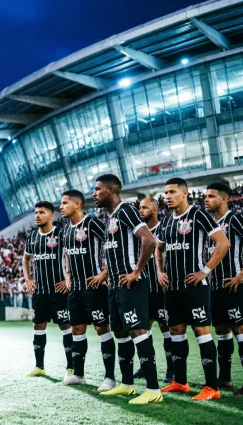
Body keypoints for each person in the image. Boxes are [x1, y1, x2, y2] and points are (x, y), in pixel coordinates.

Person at [156, 177, 230, 401]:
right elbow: (158, 248)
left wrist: (204, 271)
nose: (167, 196)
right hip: (173, 288)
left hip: (195, 287)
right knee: (176, 331)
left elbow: (223, 243)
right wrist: (160, 272)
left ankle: (211, 387)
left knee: (201, 331)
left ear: (185, 193)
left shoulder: (198, 215)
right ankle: (180, 382)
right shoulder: (166, 221)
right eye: (165, 193)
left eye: (172, 192)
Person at [93, 174, 162, 405]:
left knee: (138, 331)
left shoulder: (126, 211)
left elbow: (148, 240)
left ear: (111, 190)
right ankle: (127, 384)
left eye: (98, 189)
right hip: (115, 286)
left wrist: (136, 271)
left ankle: (153, 389)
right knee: (121, 334)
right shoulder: (110, 217)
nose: (94, 193)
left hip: (131, 284)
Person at [57, 190, 115, 391]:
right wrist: (67, 275)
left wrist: (104, 274)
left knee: (101, 329)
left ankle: (109, 378)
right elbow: (66, 254)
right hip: (75, 290)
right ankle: (78, 375)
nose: (61, 207)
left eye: (65, 203)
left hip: (94, 287)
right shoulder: (65, 231)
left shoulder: (92, 224)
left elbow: (113, 245)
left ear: (77, 204)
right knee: (76, 329)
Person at [203, 182, 243, 396]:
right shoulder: (210, 223)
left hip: (233, 285)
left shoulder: (233, 219)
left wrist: (242, 274)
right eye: (206, 196)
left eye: (211, 196)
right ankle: (225, 378)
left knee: (239, 329)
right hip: (215, 287)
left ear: (224, 199)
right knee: (221, 330)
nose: (206, 199)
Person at [22, 201, 73, 380]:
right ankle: (39, 366)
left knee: (65, 326)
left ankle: (71, 368)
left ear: (51, 216)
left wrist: (68, 278)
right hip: (40, 291)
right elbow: (26, 258)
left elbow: (70, 254)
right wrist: (28, 279)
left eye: (42, 212)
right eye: (36, 212)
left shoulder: (60, 234)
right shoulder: (32, 237)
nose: (37, 215)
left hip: (58, 290)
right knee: (38, 325)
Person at [133, 198, 174, 383]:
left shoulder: (163, 229)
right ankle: (145, 366)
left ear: (155, 210)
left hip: (161, 288)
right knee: (143, 329)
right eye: (139, 208)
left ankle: (171, 369)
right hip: (142, 288)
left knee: (166, 328)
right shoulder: (137, 232)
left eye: (145, 207)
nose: (141, 211)